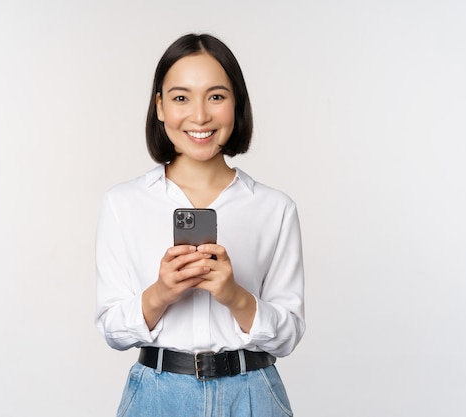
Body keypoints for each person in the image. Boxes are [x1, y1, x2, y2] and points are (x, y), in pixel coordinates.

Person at [95, 33, 305, 417]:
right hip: (157, 396)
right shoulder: (123, 204)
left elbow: (289, 335)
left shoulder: (275, 208)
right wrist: (160, 293)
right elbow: (112, 328)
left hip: (252, 396)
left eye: (216, 96)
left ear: (236, 103)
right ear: (159, 107)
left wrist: (234, 296)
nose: (200, 115)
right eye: (180, 97)